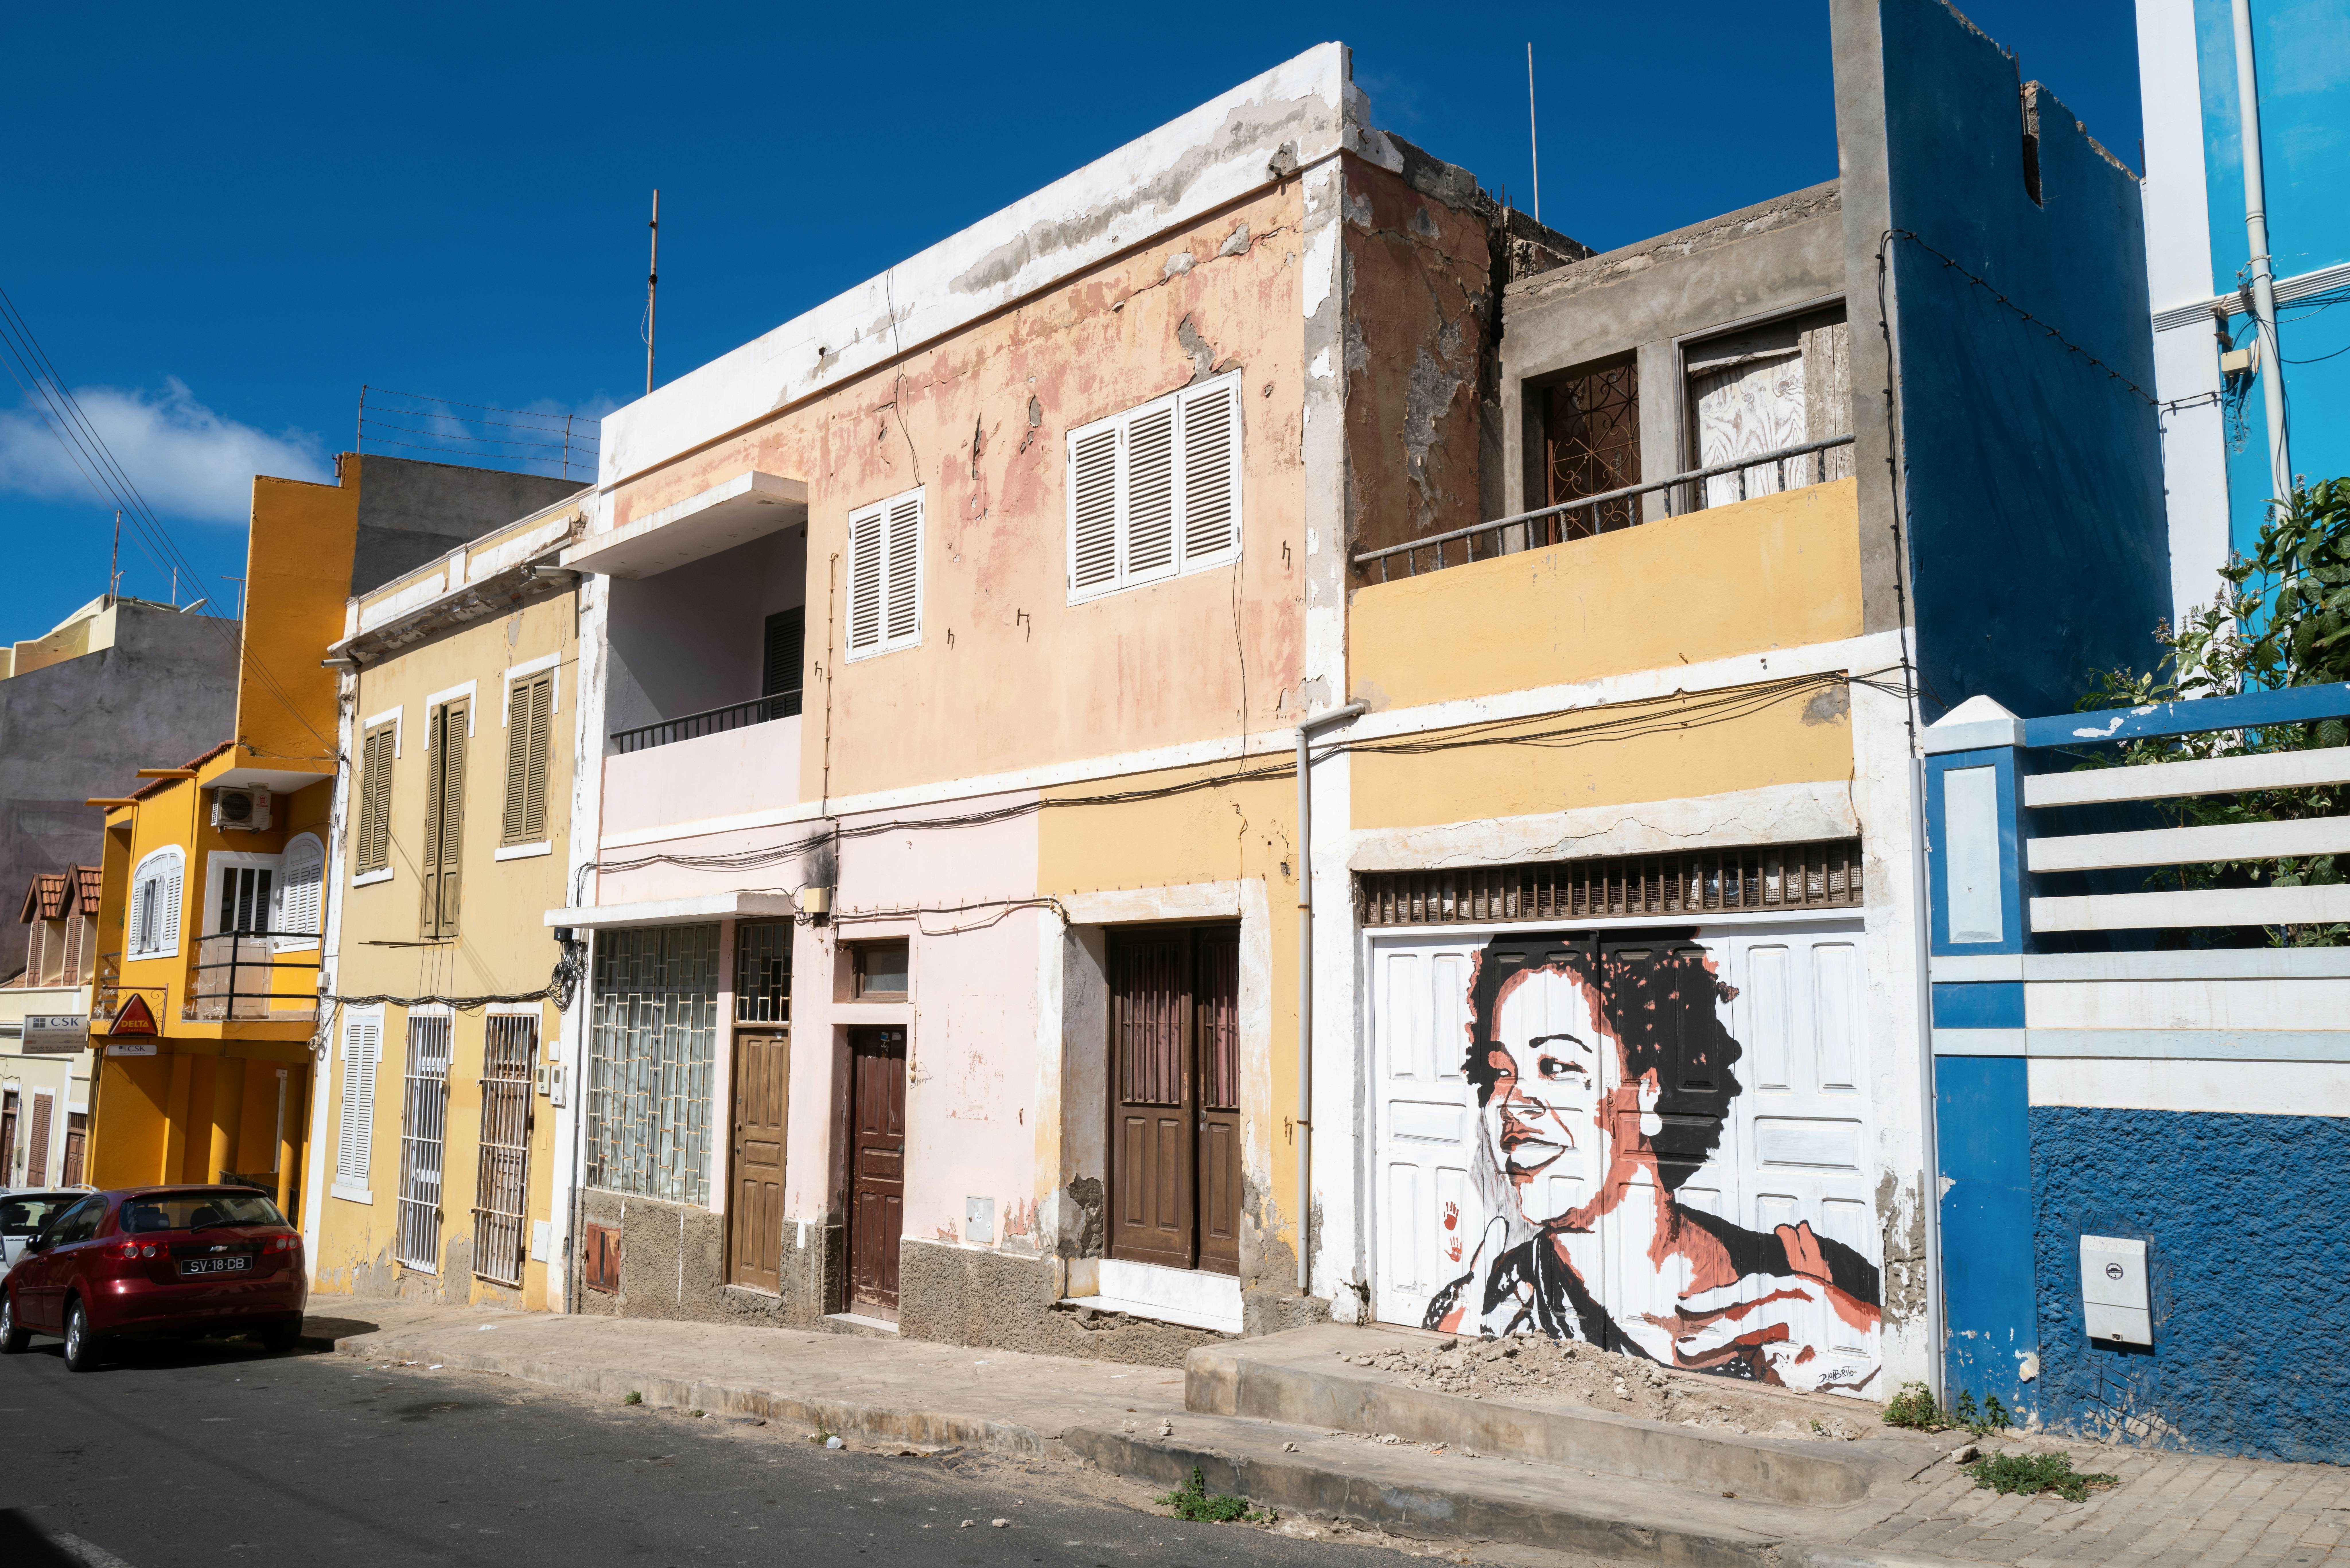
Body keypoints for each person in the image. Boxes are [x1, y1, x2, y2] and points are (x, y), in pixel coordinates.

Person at [1423, 933, 1882, 1394]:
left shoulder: (1801, 1277)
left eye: (1557, 1067)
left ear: (1648, 1093)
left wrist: (1847, 1336)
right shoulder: (1503, 1288)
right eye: (1503, 1073)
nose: (1513, 1104)